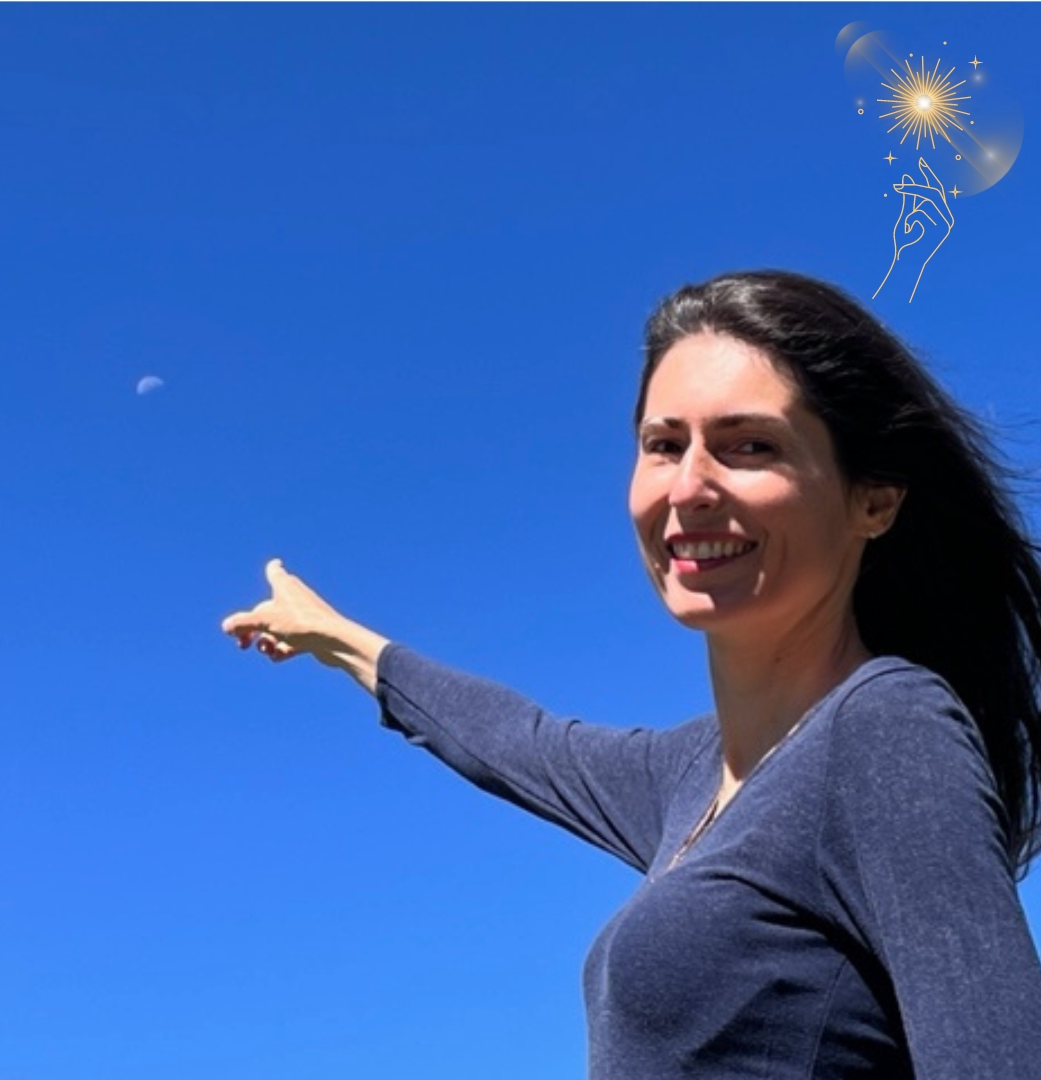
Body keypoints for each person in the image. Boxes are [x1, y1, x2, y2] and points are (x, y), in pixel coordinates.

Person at [222, 270, 1041, 1079]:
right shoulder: (693, 776)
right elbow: (520, 741)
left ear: (874, 501)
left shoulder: (886, 734)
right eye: (664, 445)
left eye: (750, 445)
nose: (690, 487)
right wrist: (340, 640)